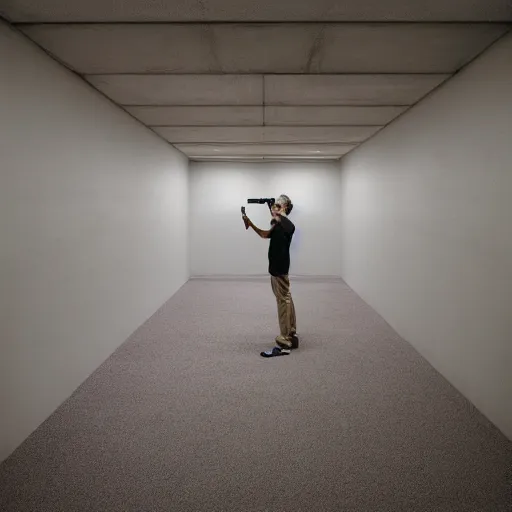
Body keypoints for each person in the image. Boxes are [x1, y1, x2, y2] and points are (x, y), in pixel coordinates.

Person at [242, 194, 298, 357]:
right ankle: (292, 334)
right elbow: (265, 234)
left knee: (283, 301)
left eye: (278, 204)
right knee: (286, 298)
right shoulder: (280, 224)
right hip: (277, 266)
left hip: (279, 267)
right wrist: (250, 223)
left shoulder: (286, 224)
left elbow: (279, 220)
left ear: (286, 207)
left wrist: (274, 210)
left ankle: (284, 342)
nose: (274, 207)